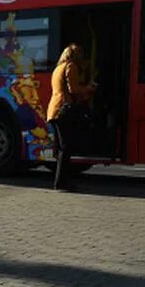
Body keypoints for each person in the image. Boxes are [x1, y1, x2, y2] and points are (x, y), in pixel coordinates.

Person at [47, 43, 97, 192]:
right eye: (79, 54)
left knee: (62, 148)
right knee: (66, 148)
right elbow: (73, 89)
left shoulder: (58, 68)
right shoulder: (71, 66)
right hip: (65, 110)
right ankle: (61, 182)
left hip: (54, 110)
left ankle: (60, 181)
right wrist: (89, 89)